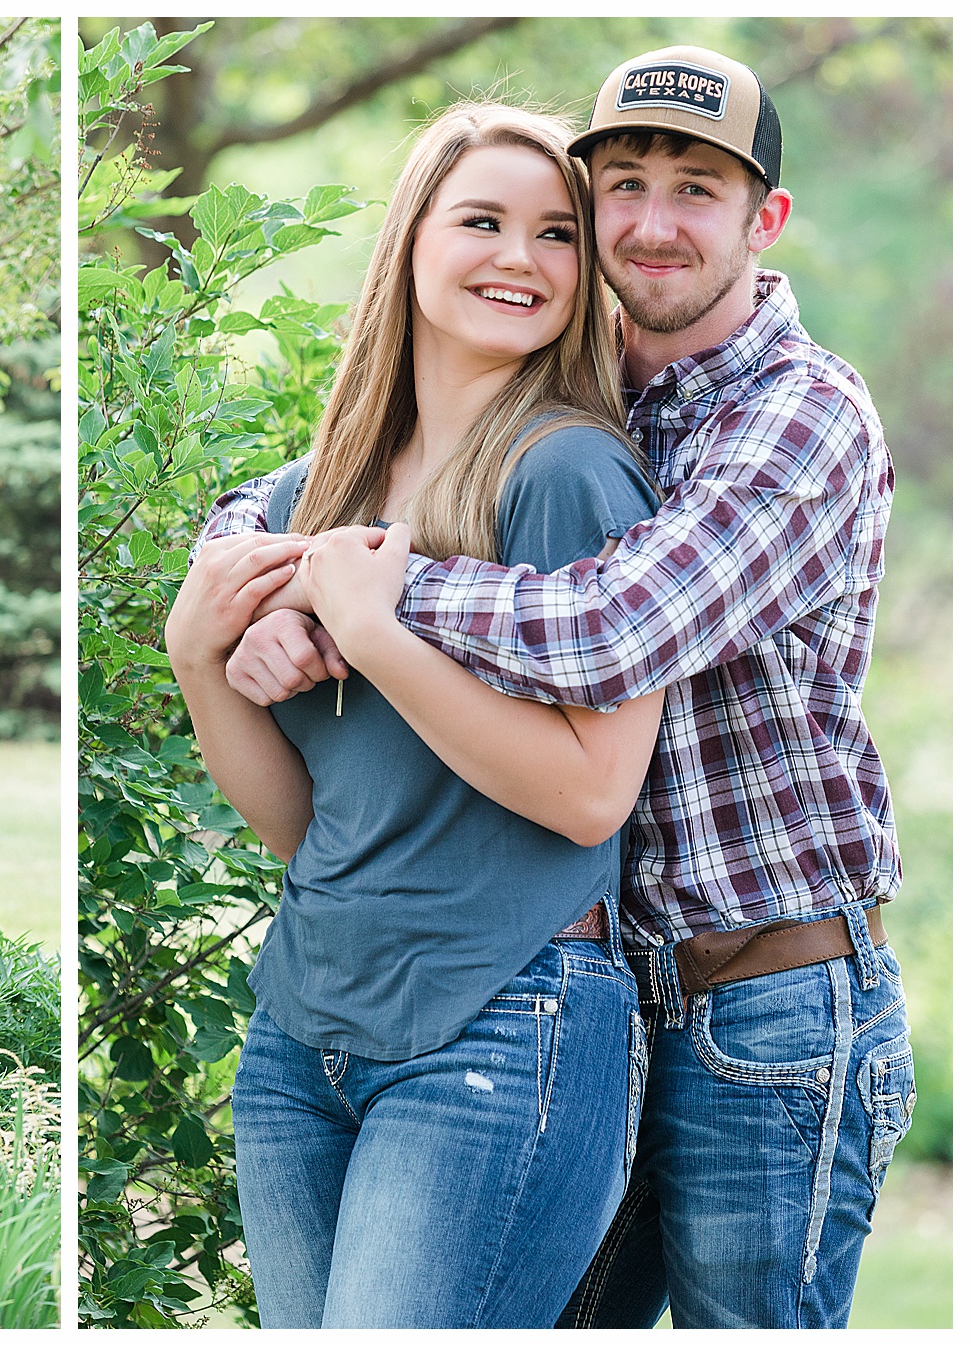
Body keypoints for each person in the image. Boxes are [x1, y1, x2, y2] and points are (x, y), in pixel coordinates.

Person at [203, 47, 912, 1329]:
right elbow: (342, 483)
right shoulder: (596, 398)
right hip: (598, 984)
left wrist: (350, 595)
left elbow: (607, 628)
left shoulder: (799, 416)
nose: (651, 220)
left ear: (765, 219)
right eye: (622, 184)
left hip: (763, 997)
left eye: (697, 189)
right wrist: (249, 600)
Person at [165, 102, 666, 1329]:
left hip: (501, 1020)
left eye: (557, 234)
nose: (522, 257)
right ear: (411, 242)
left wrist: (378, 635)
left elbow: (595, 790)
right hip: (301, 1040)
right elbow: (304, 823)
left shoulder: (567, 471)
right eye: (483, 221)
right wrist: (196, 652)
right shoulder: (314, 490)